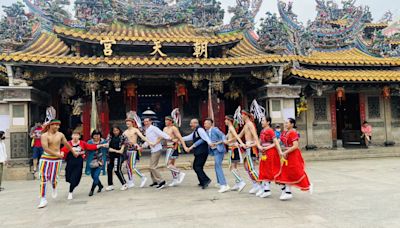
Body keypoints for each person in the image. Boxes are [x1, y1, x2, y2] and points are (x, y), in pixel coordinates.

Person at [38, 119, 76, 208]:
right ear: (50, 125)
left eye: (58, 125)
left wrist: (73, 152)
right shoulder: (44, 135)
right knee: (43, 178)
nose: (57, 127)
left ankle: (54, 188)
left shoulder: (60, 134)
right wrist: (57, 154)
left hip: (57, 160)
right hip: (46, 158)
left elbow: (66, 144)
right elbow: (46, 148)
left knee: (54, 178)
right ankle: (43, 198)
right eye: (55, 125)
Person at [62, 130, 107, 200]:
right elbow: (63, 151)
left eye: (77, 135)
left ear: (79, 136)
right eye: (74, 135)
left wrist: (101, 145)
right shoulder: (68, 143)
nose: (75, 137)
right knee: (68, 178)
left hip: (79, 162)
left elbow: (91, 147)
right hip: (70, 162)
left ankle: (70, 192)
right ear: (71, 136)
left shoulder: (82, 143)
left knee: (75, 177)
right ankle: (99, 185)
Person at [275, 118, 312, 201]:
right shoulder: (284, 132)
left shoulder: (293, 132)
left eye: (287, 123)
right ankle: (286, 191)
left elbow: (295, 146)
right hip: (286, 154)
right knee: (284, 172)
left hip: (293, 155)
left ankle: (307, 185)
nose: (285, 124)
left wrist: (285, 152)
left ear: (292, 124)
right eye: (285, 123)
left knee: (297, 172)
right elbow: (279, 140)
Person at [123, 113, 154, 188]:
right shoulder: (125, 132)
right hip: (127, 150)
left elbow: (142, 137)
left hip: (134, 150)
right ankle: (131, 182)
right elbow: (123, 141)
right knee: (128, 167)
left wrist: (149, 142)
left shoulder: (135, 130)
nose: (127, 123)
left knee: (132, 166)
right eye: (126, 122)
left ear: (132, 122)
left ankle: (143, 177)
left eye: (129, 121)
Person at [142, 118, 171, 190]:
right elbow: (147, 140)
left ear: (151, 122)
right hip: (153, 149)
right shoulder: (147, 129)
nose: (146, 123)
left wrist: (169, 137)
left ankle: (161, 181)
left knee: (153, 167)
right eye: (145, 121)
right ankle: (155, 181)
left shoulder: (154, 128)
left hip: (157, 149)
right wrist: (142, 146)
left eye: (147, 121)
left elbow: (161, 133)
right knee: (150, 167)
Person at [184, 119, 213, 189]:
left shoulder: (200, 130)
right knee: (197, 167)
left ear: (195, 123)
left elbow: (205, 137)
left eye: (191, 123)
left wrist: (210, 143)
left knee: (197, 166)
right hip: (199, 151)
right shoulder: (196, 131)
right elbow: (189, 137)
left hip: (202, 151)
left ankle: (206, 180)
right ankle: (202, 181)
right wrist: (180, 138)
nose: (190, 125)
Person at [238, 110, 262, 195]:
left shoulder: (250, 124)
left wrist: (256, 145)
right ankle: (255, 184)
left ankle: (261, 185)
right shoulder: (246, 125)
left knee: (251, 168)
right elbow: (239, 136)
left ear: (246, 115)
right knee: (246, 167)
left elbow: (255, 136)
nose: (241, 116)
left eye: (242, 114)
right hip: (247, 147)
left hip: (251, 147)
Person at [258, 117, 282, 198]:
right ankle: (266, 190)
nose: (261, 122)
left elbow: (276, 142)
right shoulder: (262, 131)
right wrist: (259, 148)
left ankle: (284, 188)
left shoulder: (270, 131)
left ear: (268, 122)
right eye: (262, 120)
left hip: (271, 152)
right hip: (264, 153)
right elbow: (260, 142)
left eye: (263, 120)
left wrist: (280, 152)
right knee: (263, 170)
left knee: (272, 171)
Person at [204, 118, 230, 193]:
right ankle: (219, 182)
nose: (204, 125)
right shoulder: (206, 131)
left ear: (210, 124)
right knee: (216, 166)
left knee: (218, 166)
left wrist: (223, 141)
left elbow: (222, 135)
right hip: (214, 151)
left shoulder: (215, 129)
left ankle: (224, 185)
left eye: (206, 123)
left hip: (219, 150)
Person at [163, 116, 189, 187]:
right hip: (168, 147)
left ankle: (180, 173)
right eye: (165, 120)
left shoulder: (174, 128)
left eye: (167, 120)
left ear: (171, 121)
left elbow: (180, 138)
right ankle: (175, 179)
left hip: (173, 147)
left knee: (167, 164)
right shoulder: (165, 128)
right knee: (171, 165)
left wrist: (184, 146)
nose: (165, 121)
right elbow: (162, 137)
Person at [223, 115, 247, 192]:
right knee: (235, 167)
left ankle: (241, 181)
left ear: (229, 120)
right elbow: (229, 138)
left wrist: (242, 144)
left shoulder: (231, 128)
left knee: (231, 167)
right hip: (233, 148)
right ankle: (237, 183)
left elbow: (237, 137)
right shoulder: (230, 128)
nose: (224, 121)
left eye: (225, 120)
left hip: (233, 149)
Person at [105, 126, 128, 191]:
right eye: (114, 131)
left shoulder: (122, 136)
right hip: (110, 155)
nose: (115, 132)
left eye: (117, 130)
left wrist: (121, 149)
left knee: (117, 169)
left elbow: (125, 143)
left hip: (118, 156)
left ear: (119, 130)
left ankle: (124, 184)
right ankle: (110, 185)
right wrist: (117, 151)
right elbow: (107, 147)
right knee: (109, 169)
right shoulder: (110, 136)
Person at [87, 130, 106, 197]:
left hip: (100, 161)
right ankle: (100, 186)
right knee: (93, 176)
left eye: (98, 135)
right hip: (92, 162)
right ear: (93, 136)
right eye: (95, 135)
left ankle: (92, 190)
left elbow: (107, 150)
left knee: (96, 176)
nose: (97, 137)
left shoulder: (104, 141)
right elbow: (87, 149)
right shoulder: (89, 142)